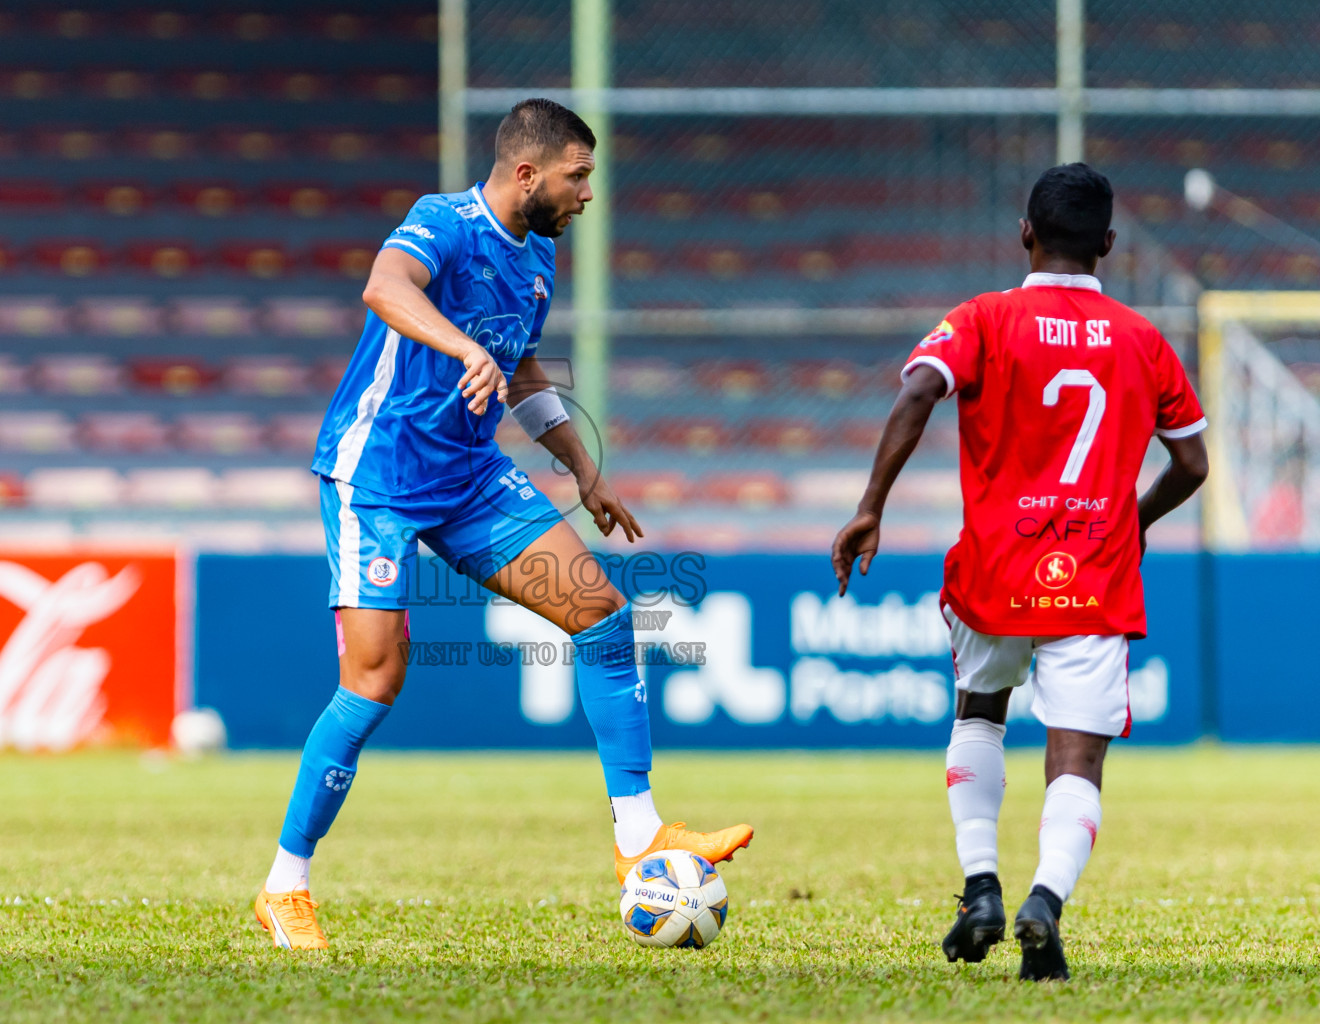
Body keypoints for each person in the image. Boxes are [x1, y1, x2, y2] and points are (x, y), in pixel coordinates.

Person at [253, 98, 753, 951]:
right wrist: (462, 349)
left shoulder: (536, 262)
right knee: (376, 678)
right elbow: (384, 287)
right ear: (528, 173)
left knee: (601, 613)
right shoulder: (440, 221)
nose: (587, 193)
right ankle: (284, 886)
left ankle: (641, 834)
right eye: (578, 175)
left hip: (471, 475)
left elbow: (519, 368)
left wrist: (583, 468)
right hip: (374, 475)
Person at [831, 163, 1208, 981]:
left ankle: (980, 886)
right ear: (1108, 245)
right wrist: (1131, 521)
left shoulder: (984, 318)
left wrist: (871, 506)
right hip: (1096, 576)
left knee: (979, 713)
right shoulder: (1145, 341)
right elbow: (1193, 462)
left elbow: (917, 394)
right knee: (1078, 761)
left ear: (1025, 234)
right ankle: (1045, 900)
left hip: (996, 570)